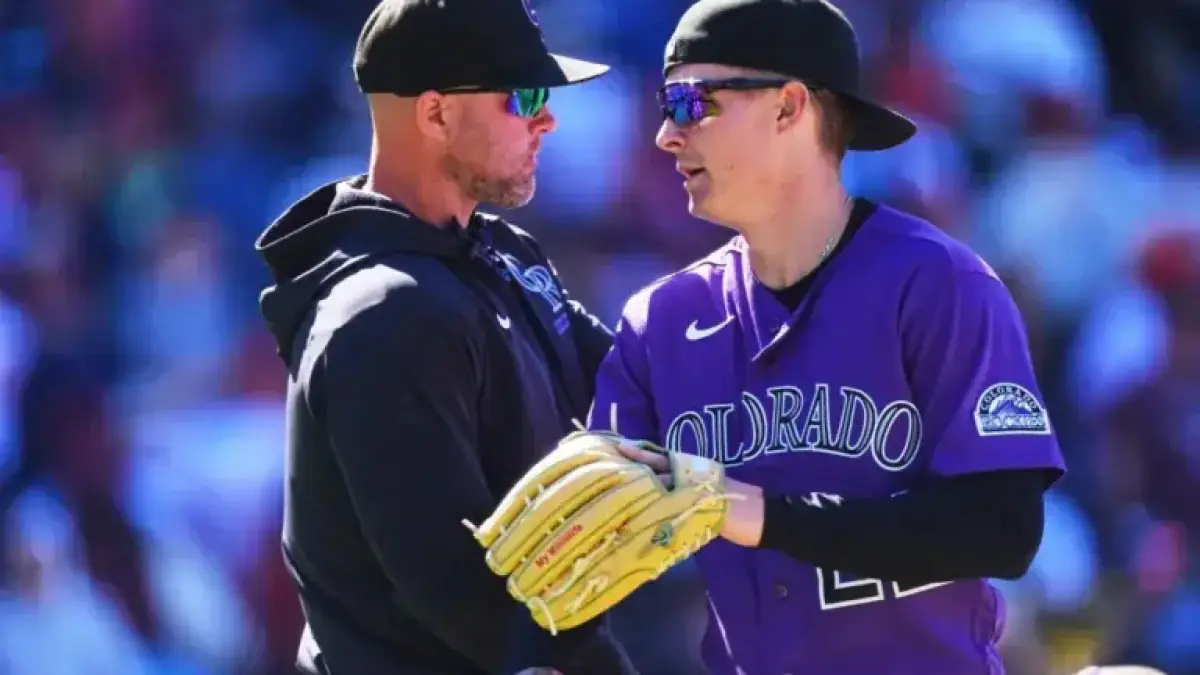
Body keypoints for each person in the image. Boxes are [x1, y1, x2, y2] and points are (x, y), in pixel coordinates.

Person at [587, 0, 1067, 673]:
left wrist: (766, 515)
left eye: (691, 103)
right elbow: (597, 553)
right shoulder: (658, 320)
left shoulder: (939, 285)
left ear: (788, 107)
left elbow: (1002, 529)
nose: (667, 133)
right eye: (665, 107)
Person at [253, 0, 705, 674]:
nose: (546, 119)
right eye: (523, 98)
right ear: (436, 114)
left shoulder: (502, 256)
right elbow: (463, 597)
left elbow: (638, 386)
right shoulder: (379, 314)